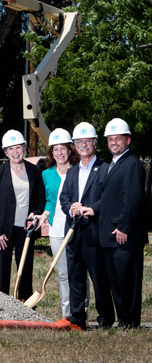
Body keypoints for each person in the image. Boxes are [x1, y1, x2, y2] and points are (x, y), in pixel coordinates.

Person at [86, 118, 146, 328]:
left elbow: (133, 199)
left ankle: (129, 321)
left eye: (118, 139)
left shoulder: (132, 164)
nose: (113, 142)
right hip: (110, 236)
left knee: (127, 280)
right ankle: (123, 319)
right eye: (110, 139)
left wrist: (124, 227)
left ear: (127, 140)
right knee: (117, 281)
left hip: (124, 235)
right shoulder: (112, 164)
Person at [58, 122, 114, 330]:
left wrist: (92, 208)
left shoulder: (105, 169)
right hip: (73, 234)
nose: (83, 145)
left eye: (87, 141)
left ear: (95, 144)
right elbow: (64, 197)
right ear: (75, 145)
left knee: (99, 278)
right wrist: (70, 208)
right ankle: (77, 318)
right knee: (75, 278)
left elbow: (109, 198)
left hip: (94, 233)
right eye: (79, 142)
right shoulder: (72, 172)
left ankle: (106, 318)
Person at [0, 130, 45, 300]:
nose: (15, 152)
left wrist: (36, 213)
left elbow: (40, 199)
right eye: (10, 149)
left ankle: (24, 302)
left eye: (18, 147)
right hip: (3, 231)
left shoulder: (34, 171)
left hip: (26, 229)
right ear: (5, 152)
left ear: (24, 149)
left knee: (25, 268)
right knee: (1, 269)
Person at [39, 128, 78, 319]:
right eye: (56, 149)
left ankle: (82, 312)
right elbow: (49, 200)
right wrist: (44, 215)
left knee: (77, 272)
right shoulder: (47, 174)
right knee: (62, 273)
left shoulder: (78, 171)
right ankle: (67, 314)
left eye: (63, 149)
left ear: (70, 150)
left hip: (76, 228)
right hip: (56, 228)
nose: (60, 153)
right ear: (51, 153)